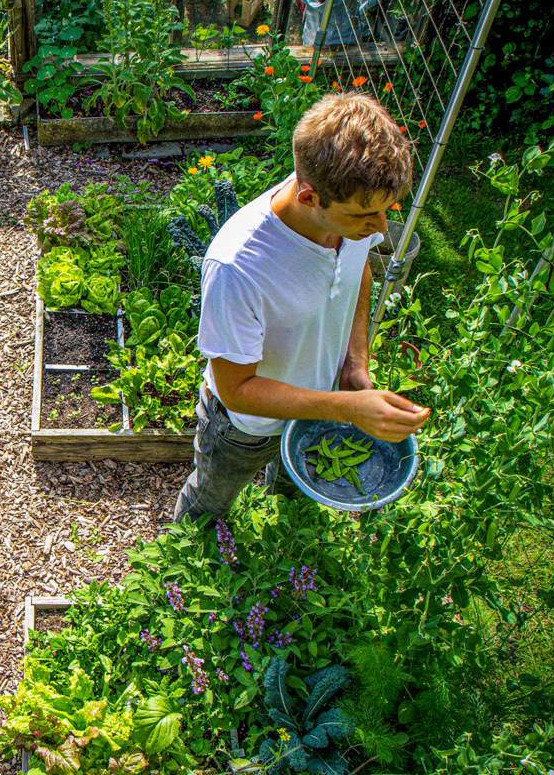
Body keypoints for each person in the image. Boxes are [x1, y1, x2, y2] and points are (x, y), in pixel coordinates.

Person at [174, 92, 431, 524]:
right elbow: (237, 389)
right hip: (244, 429)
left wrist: (354, 364)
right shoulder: (239, 266)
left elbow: (358, 273)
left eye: (388, 211)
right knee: (207, 507)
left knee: (294, 509)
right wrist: (346, 408)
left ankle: (284, 554)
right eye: (367, 216)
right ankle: (178, 568)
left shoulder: (352, 218)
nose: (381, 228)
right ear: (311, 198)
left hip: (318, 407)